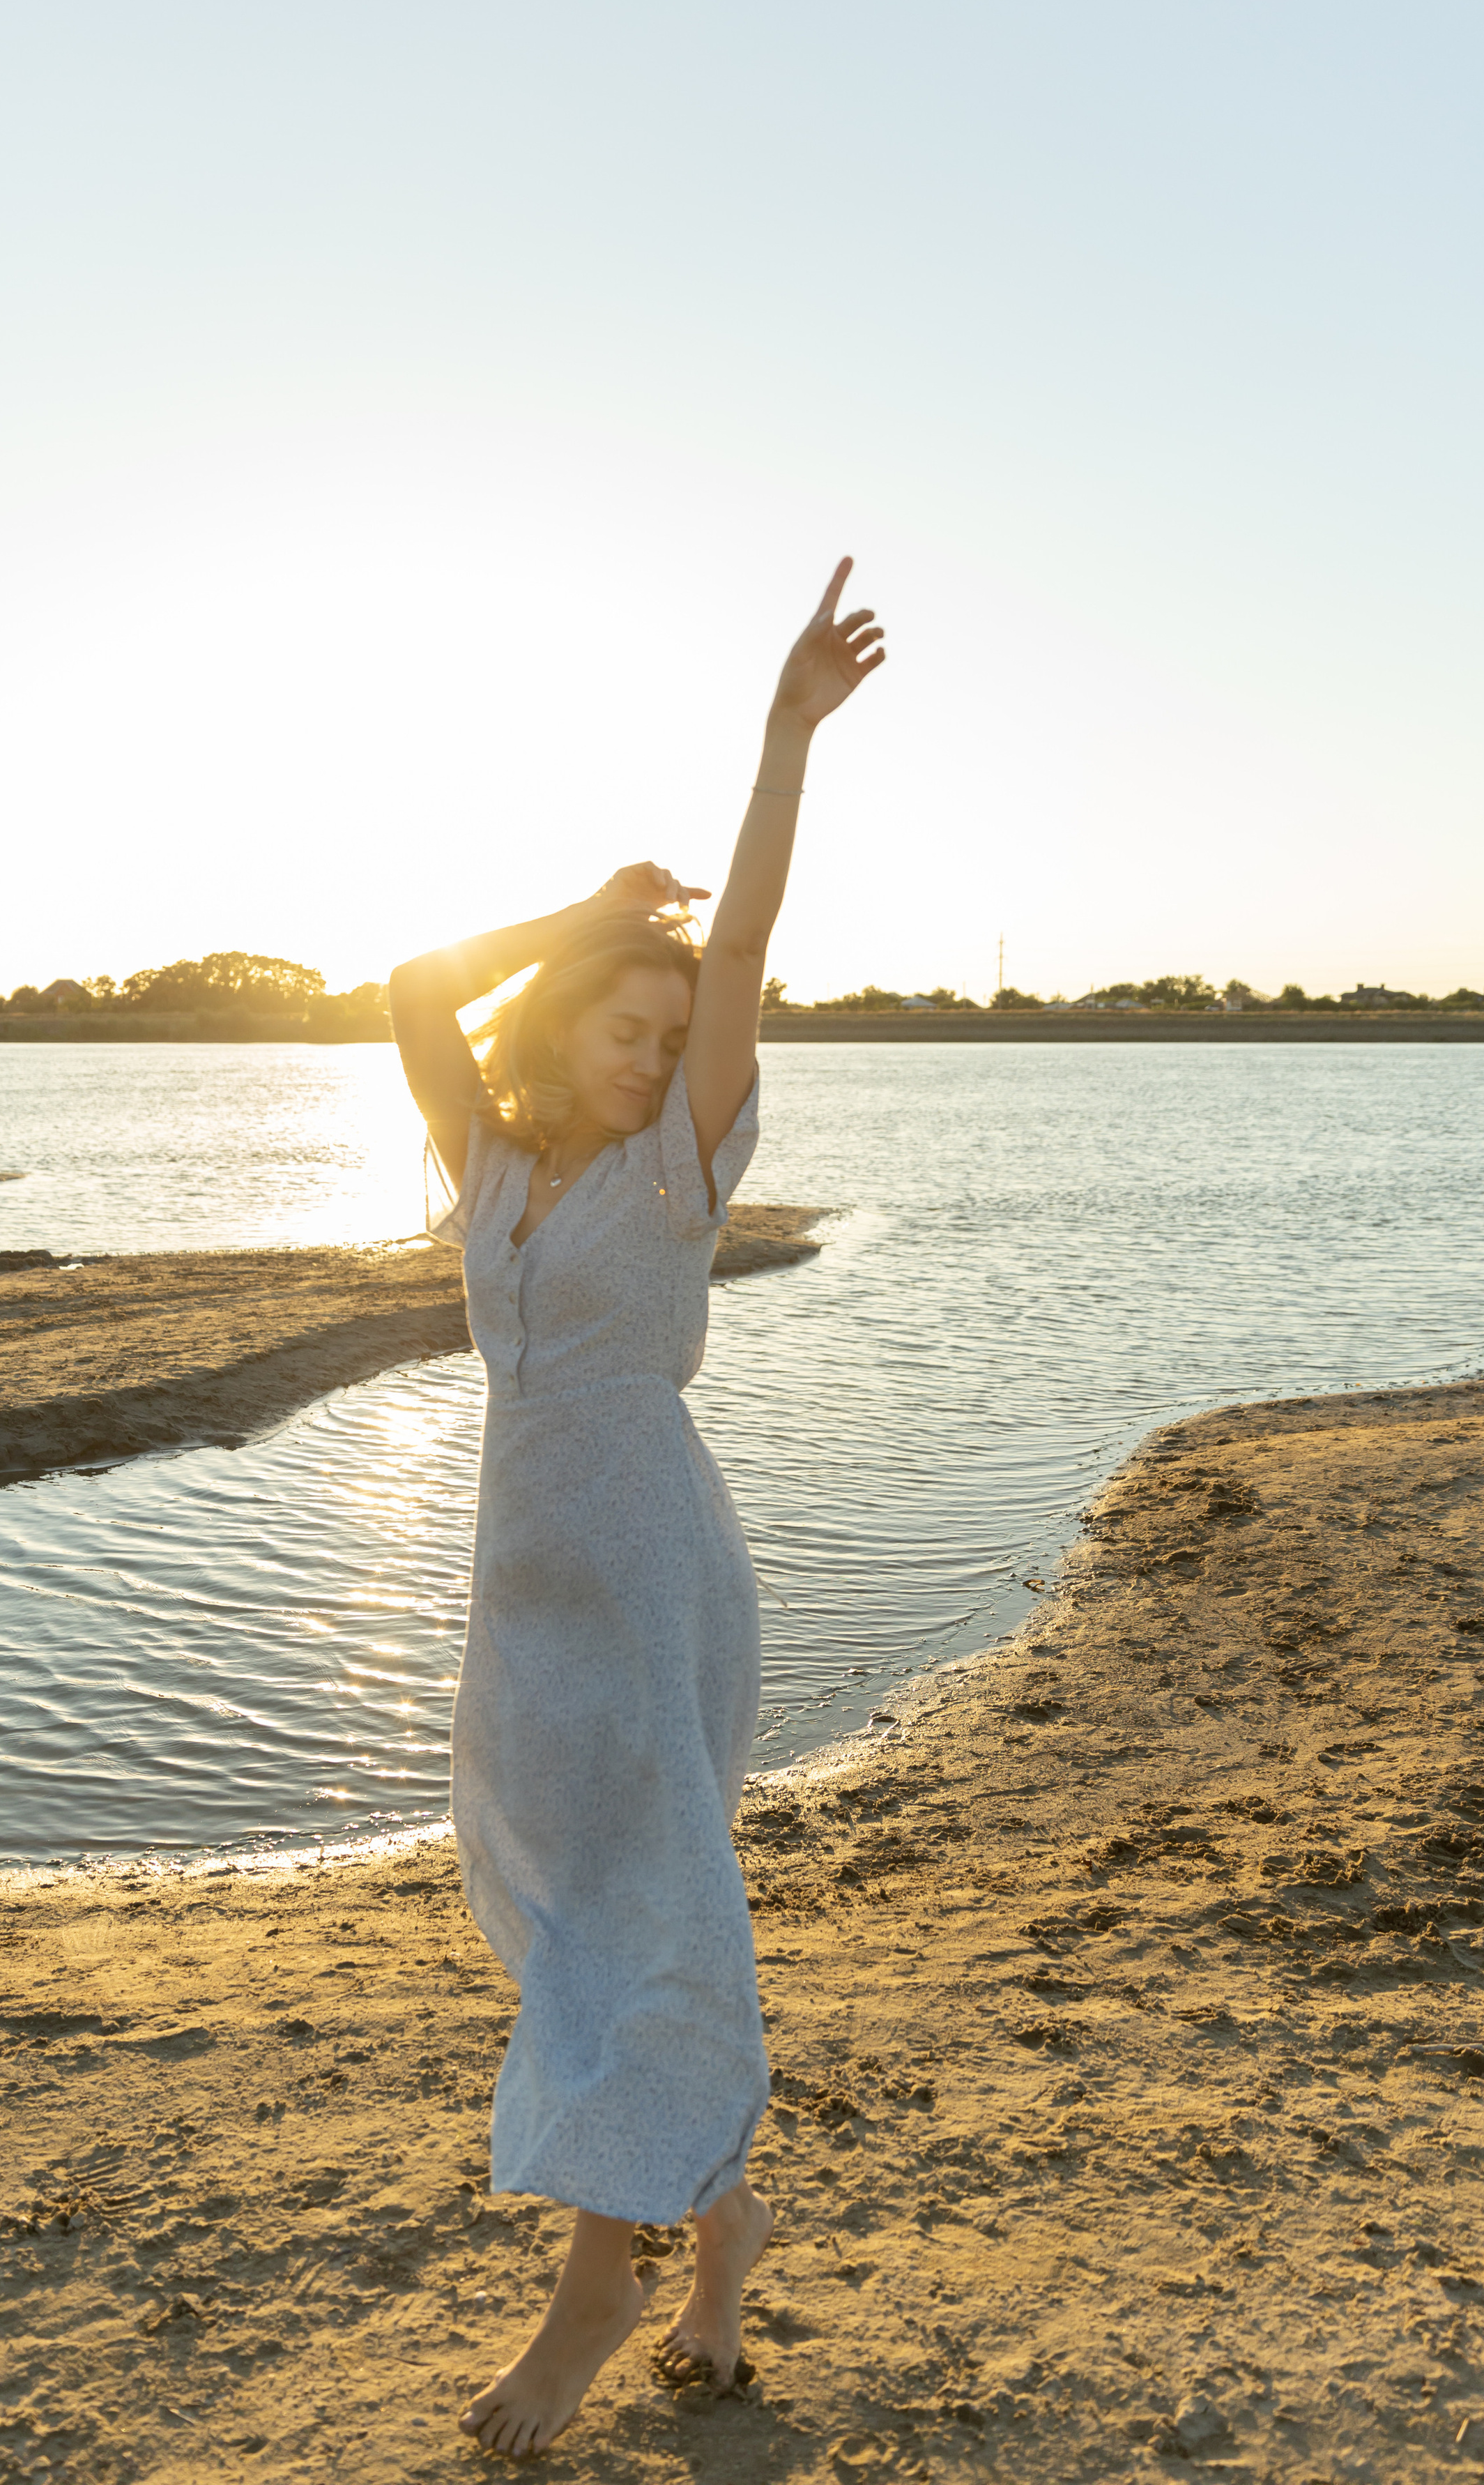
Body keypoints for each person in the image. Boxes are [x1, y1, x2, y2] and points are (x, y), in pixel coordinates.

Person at [388, 558, 886, 2459]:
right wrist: (591, 912)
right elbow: (412, 989)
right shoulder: (488, 1163)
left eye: (677, 1041)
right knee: (566, 1908)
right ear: (565, 1018)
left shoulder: (678, 1174)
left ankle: (597, 2290)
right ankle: (720, 2232)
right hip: (526, 1592)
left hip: (652, 1574)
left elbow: (742, 949)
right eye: (628, 1020)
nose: (655, 1051)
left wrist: (781, 739)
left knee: (639, 1909)